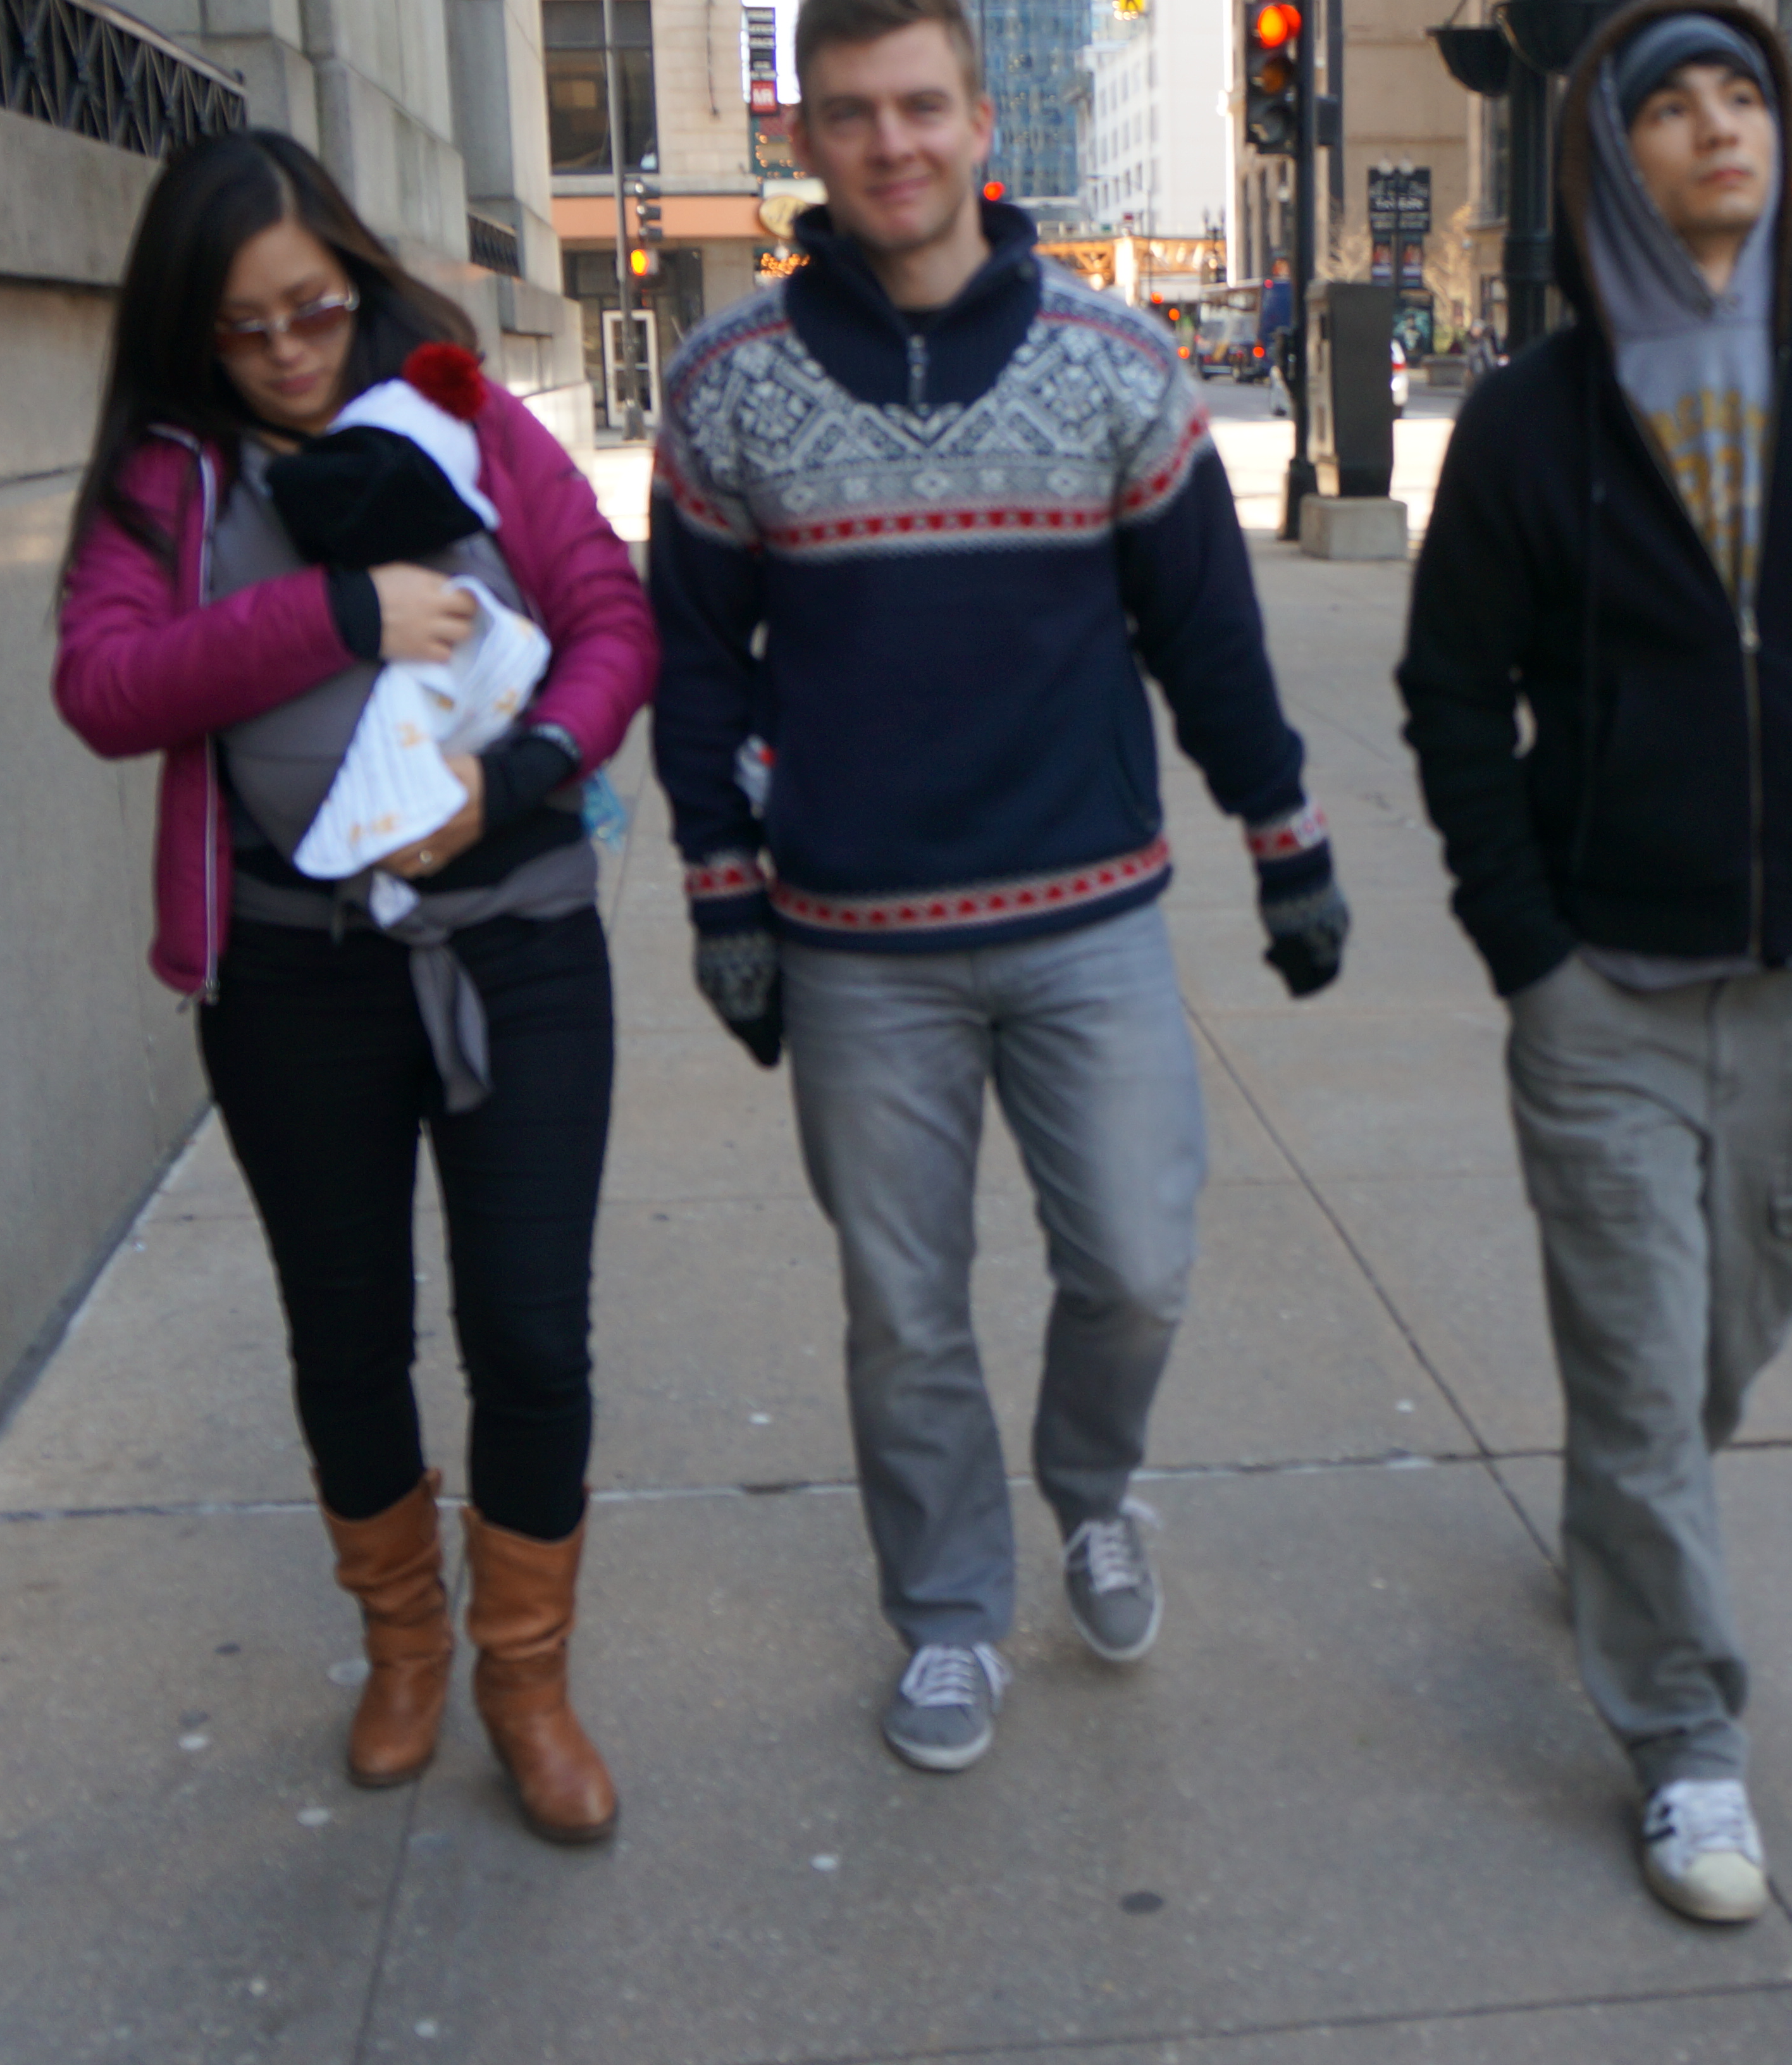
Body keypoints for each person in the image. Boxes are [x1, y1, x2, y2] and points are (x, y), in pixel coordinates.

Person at [650, 0, 1348, 1774]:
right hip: (854, 945)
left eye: (922, 107)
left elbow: (1205, 630)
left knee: (1137, 1267)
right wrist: (723, 895)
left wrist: (1285, 838)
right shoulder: (725, 387)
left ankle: (1092, 1491)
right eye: (853, 113)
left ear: (981, 123)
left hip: (1087, 923)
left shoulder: (1117, 359)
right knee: (905, 1315)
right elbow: (698, 663)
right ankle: (951, 1616)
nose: (892, 142)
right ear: (804, 140)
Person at [1397, 0, 1792, 1923]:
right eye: (1675, 104)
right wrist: (1526, 945)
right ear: (1608, 155)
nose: (1723, 124)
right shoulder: (1531, 422)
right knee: (1642, 1377)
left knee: (1731, 1335)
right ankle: (1686, 1743)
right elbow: (1451, 693)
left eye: (1748, 94)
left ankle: (1622, 1516)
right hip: (1606, 990)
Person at [53, 130, 658, 1845]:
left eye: (312, 308)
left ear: (357, 275)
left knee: (528, 1329)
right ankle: (403, 1648)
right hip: (290, 978)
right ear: (189, 330)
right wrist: (341, 613)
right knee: (346, 1331)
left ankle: (524, 1680)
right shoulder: (168, 481)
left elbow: (612, 623)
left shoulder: (465, 418)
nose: (288, 353)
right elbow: (104, 688)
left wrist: (520, 776)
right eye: (242, 328)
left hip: (518, 948)